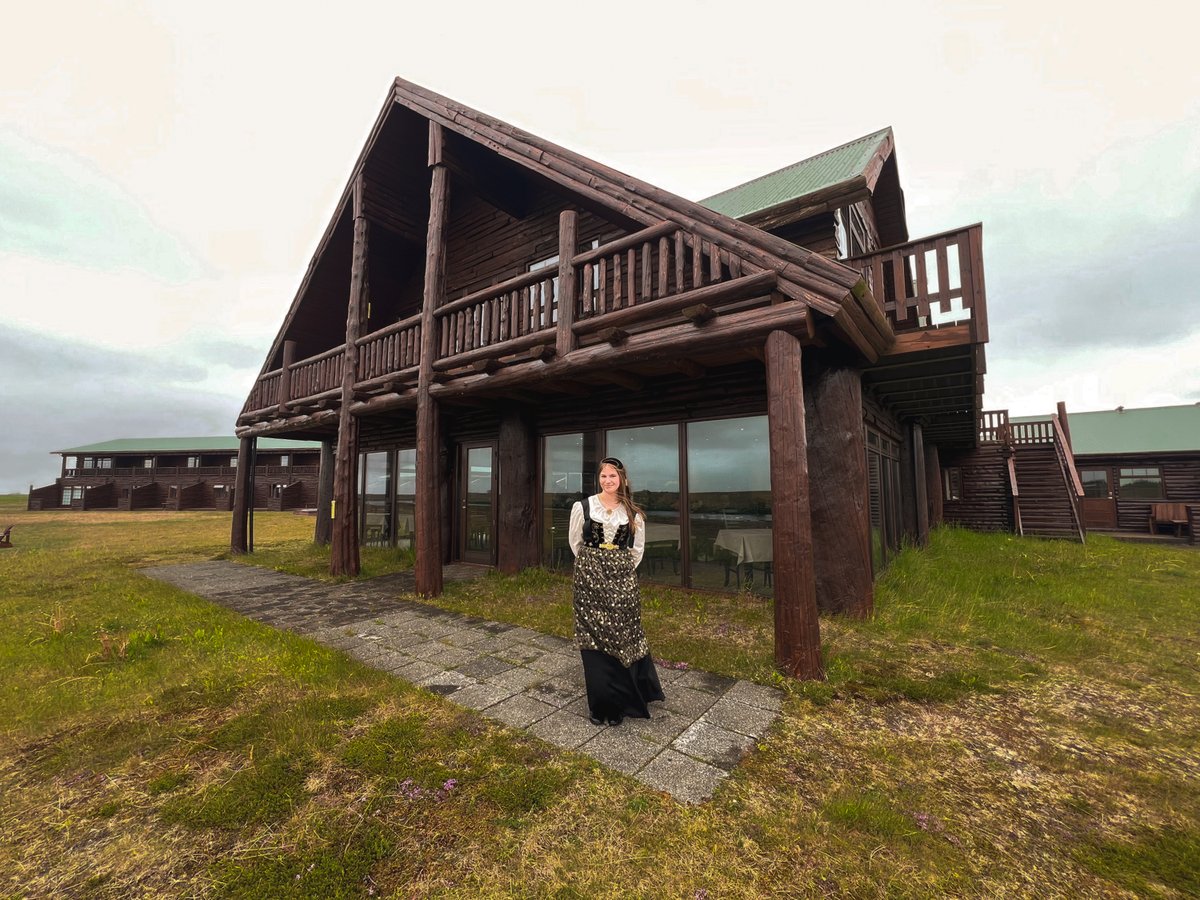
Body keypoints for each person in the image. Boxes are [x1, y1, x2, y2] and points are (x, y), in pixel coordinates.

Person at [568, 457, 665, 726]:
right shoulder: (583, 506)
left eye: (612, 476)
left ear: (622, 479)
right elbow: (576, 543)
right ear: (598, 479)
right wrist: (594, 566)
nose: (607, 481)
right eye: (603, 477)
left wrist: (616, 569)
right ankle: (602, 705)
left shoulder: (633, 513)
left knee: (623, 633)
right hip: (589, 582)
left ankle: (625, 698)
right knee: (593, 637)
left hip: (622, 581)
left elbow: (636, 552)